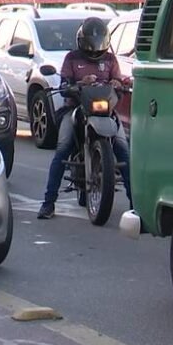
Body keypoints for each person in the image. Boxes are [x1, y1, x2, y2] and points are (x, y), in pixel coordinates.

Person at [38, 17, 131, 219]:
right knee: (62, 149)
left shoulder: (111, 60)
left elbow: (120, 82)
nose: (95, 50)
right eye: (90, 45)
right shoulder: (72, 58)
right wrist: (78, 83)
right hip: (76, 109)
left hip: (105, 112)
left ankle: (136, 208)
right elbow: (64, 85)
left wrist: (117, 83)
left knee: (124, 151)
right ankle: (48, 203)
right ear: (82, 41)